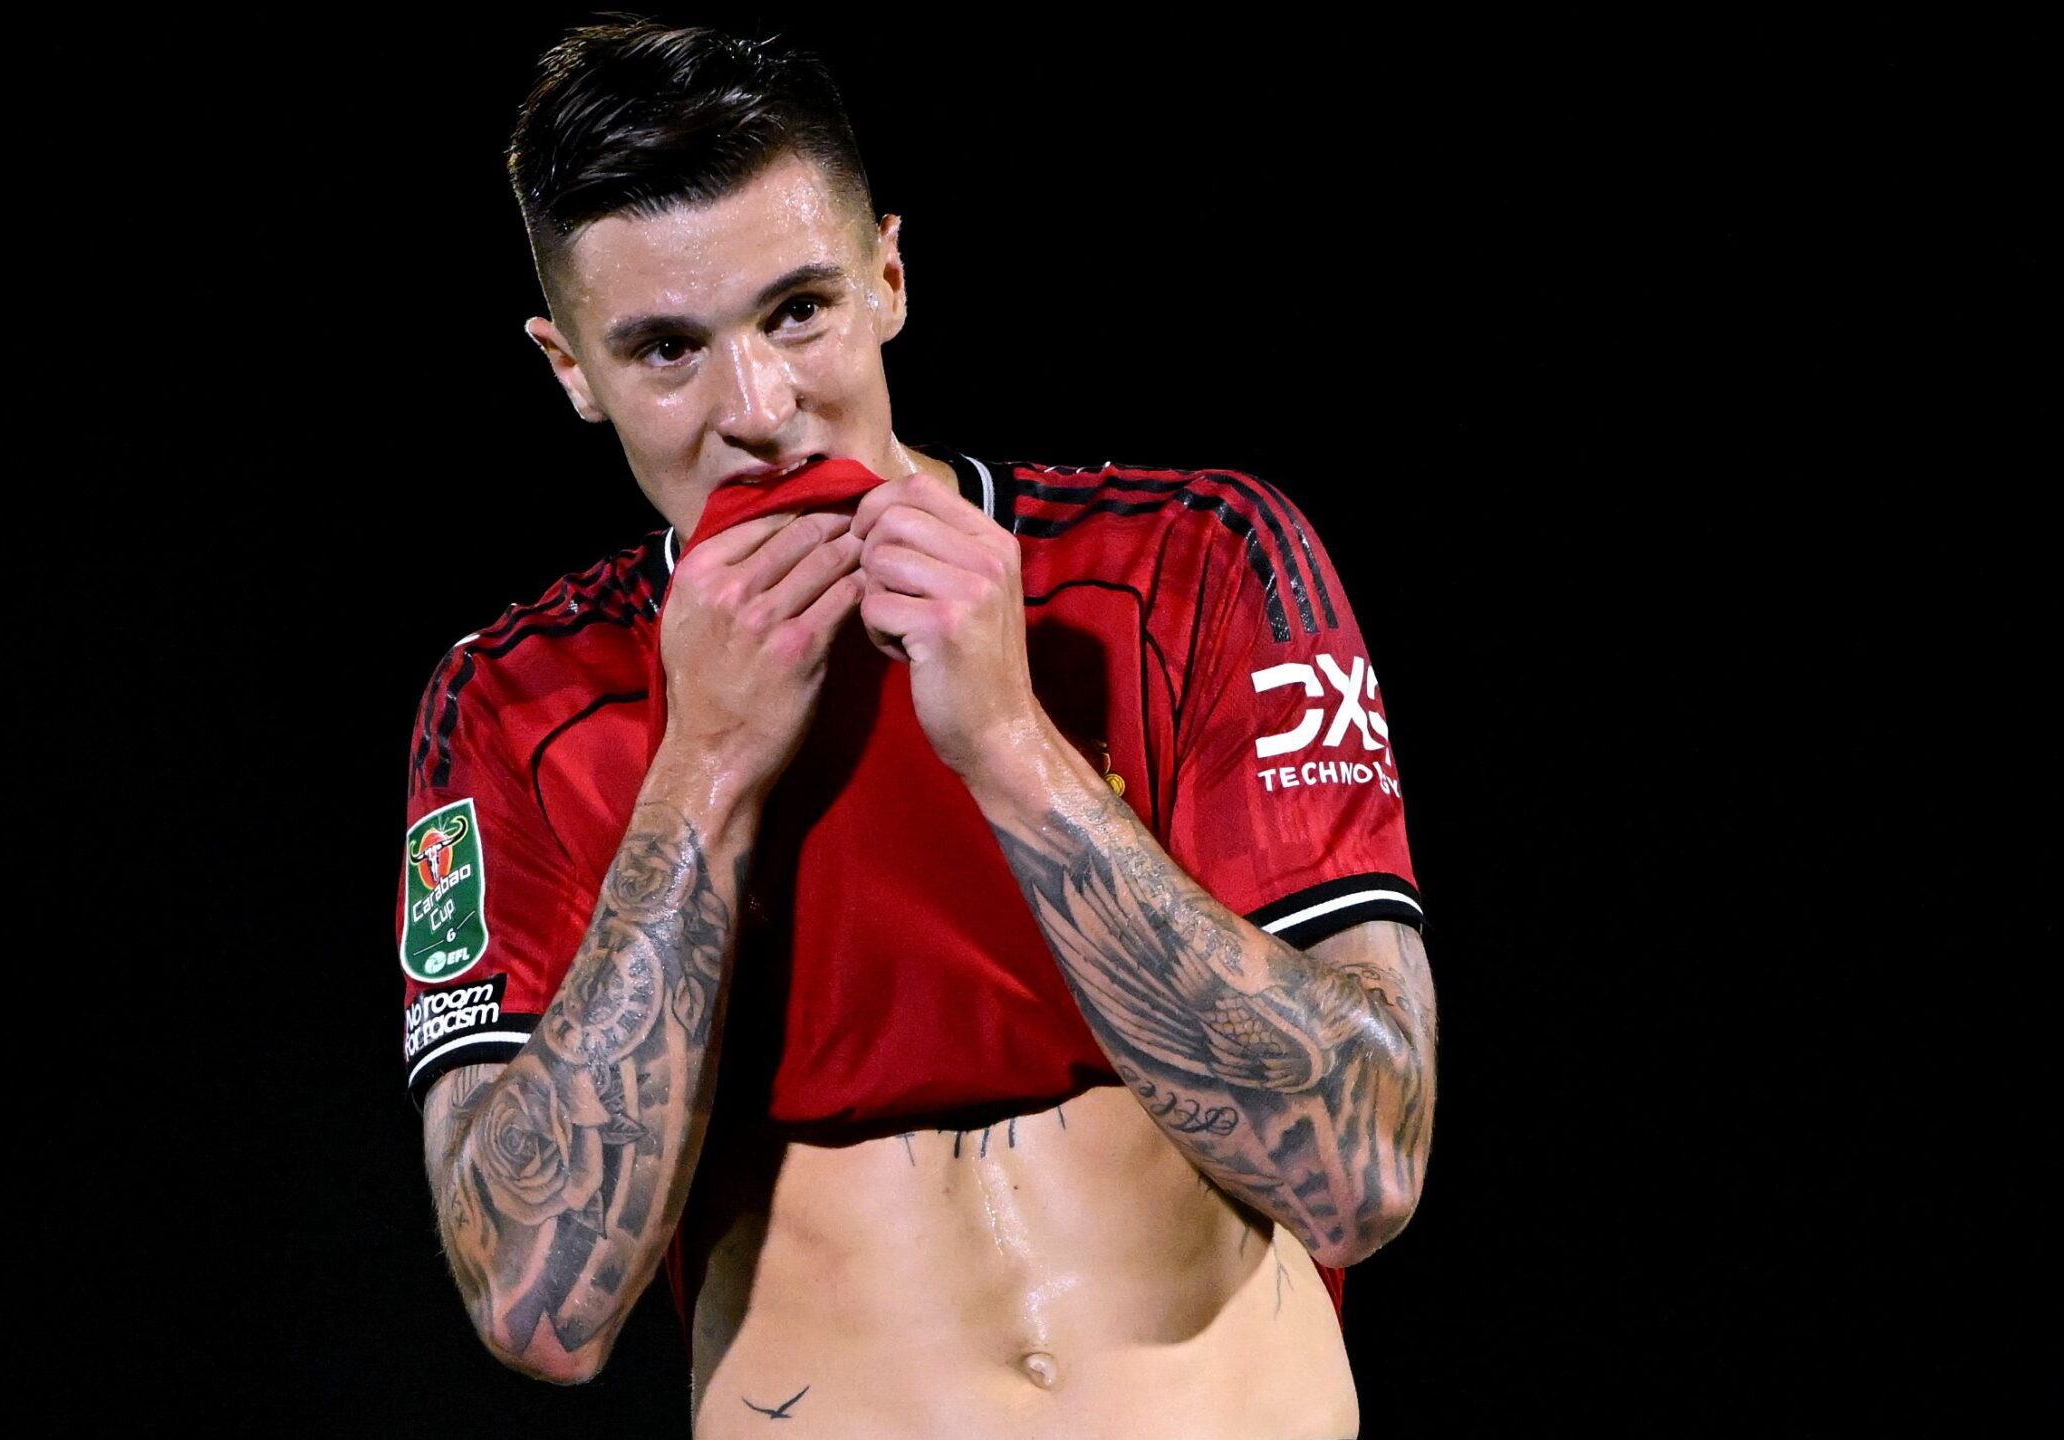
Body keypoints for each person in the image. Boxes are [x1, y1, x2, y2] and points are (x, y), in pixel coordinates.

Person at [397, 18, 1437, 1438]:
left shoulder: (1192, 564)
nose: (759, 410)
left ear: (888, 276)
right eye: (665, 350)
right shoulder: (520, 704)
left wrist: (1007, 742)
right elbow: (537, 1307)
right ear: (570, 368)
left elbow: (1363, 1172)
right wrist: (704, 772)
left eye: (798, 312)